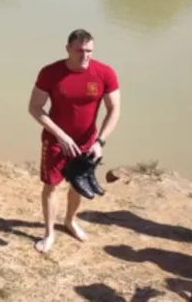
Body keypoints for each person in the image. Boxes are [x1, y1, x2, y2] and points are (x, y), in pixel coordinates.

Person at [27, 28, 121, 253]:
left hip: (87, 142)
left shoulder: (105, 73)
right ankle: (49, 233)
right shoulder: (50, 73)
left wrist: (100, 141)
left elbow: (114, 109)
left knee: (77, 184)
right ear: (68, 49)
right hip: (55, 140)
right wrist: (61, 135)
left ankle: (70, 221)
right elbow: (35, 107)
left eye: (89, 51)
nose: (84, 55)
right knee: (51, 185)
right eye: (79, 50)